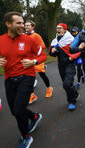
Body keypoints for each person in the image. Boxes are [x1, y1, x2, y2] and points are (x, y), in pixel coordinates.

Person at [0, 12, 47, 148]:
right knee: (15, 110)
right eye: (18, 23)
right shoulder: (1, 40)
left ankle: (25, 137)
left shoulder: (29, 39)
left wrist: (34, 61)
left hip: (27, 77)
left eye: (23, 23)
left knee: (19, 110)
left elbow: (43, 56)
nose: (22, 26)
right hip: (9, 79)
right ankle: (34, 117)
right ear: (8, 24)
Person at [49, 23, 80, 110]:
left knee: (66, 84)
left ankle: (72, 101)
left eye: (60, 28)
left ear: (64, 30)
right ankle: (75, 94)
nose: (58, 29)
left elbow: (78, 50)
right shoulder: (55, 41)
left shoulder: (71, 39)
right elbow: (51, 54)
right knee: (67, 84)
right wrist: (53, 51)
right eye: (57, 28)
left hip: (70, 64)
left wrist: (72, 57)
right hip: (61, 65)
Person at [25, 20, 53, 104]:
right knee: (29, 78)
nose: (26, 27)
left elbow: (43, 46)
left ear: (32, 27)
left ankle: (49, 88)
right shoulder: (23, 36)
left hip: (37, 59)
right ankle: (32, 95)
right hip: (28, 61)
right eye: (25, 25)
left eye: (28, 25)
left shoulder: (36, 36)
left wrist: (33, 48)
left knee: (42, 75)